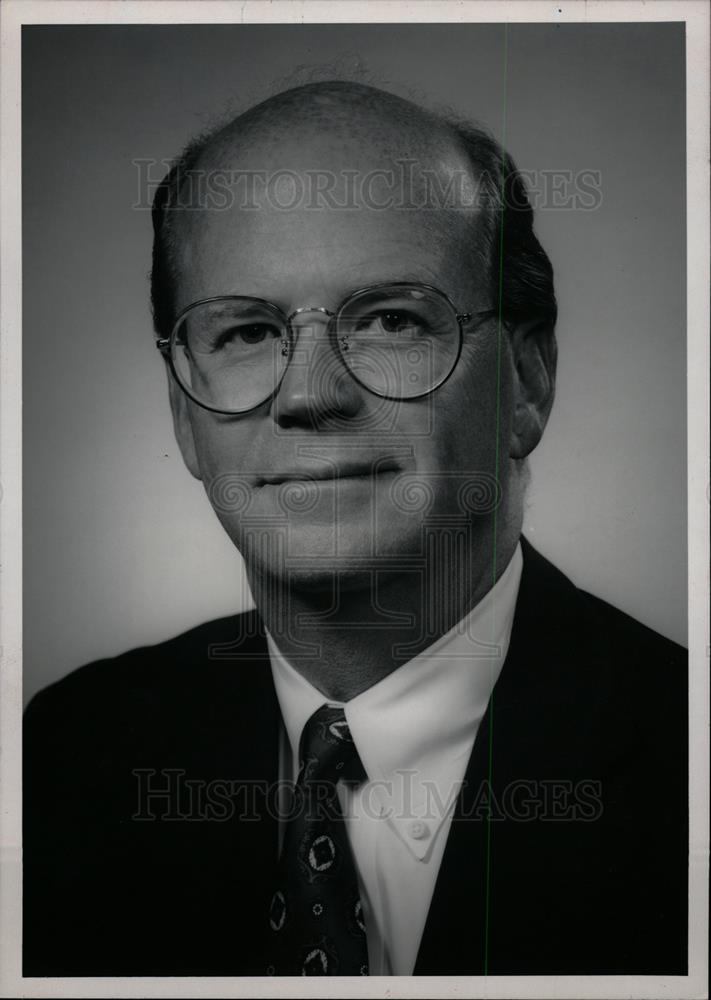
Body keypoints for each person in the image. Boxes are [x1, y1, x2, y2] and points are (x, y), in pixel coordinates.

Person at [23, 80, 687, 977]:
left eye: (388, 320)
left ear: (526, 383)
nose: (307, 396)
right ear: (183, 414)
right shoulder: (65, 757)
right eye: (246, 332)